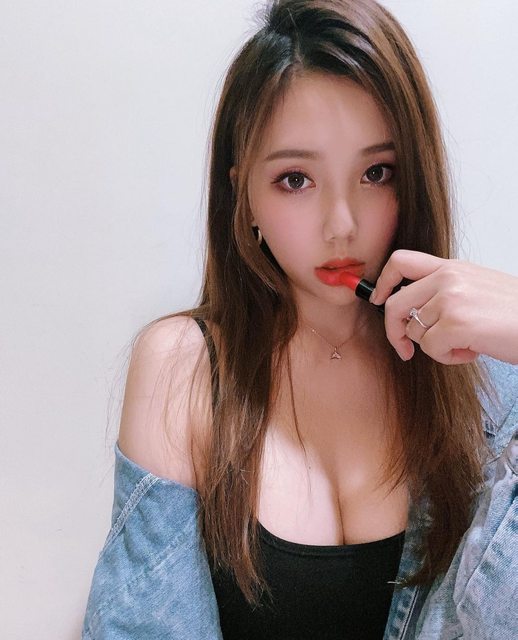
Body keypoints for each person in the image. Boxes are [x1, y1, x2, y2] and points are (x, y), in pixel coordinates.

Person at [81, 0, 518, 638]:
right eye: (295, 180)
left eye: (376, 172)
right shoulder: (186, 370)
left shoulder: (481, 371)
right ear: (244, 196)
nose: (341, 224)